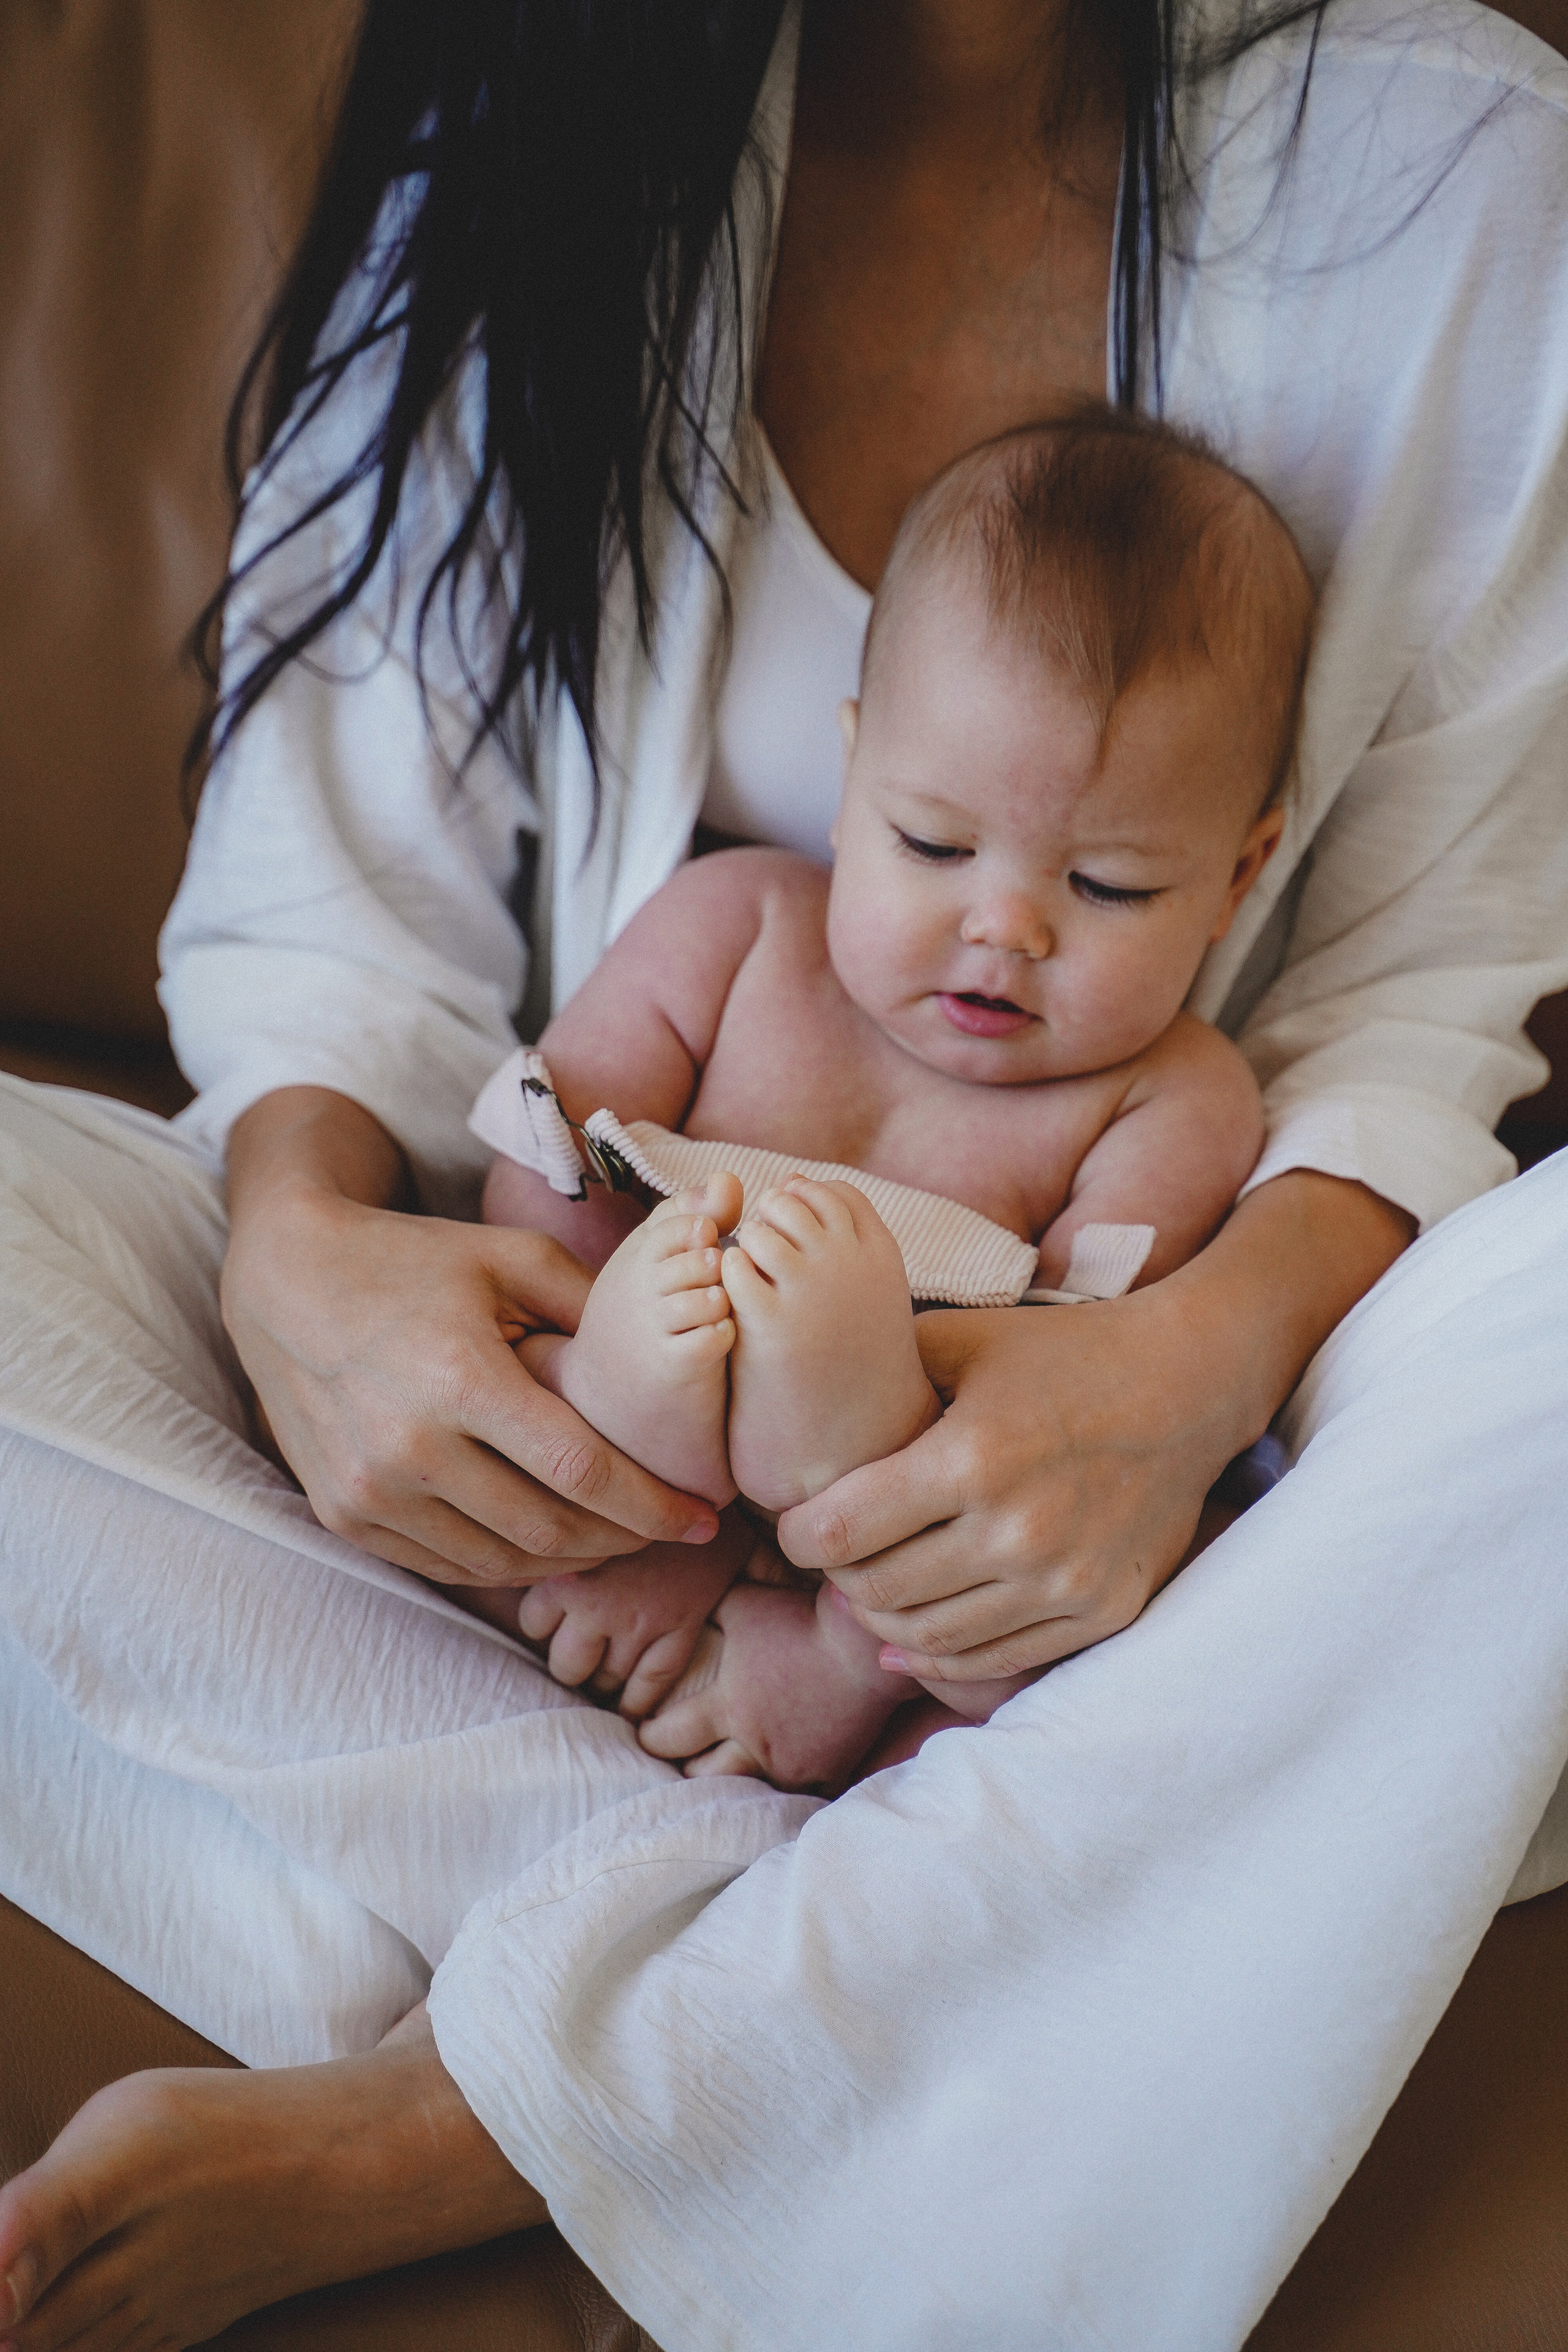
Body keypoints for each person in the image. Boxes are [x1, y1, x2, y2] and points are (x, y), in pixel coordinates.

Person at [2, 1, 1567, 2348]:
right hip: (535, 1477)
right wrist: (314, 1257)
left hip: (1094, 1535)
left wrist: (1171, 1369)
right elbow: (333, 906)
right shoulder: (527, 120)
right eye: (924, 834)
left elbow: (1429, 997)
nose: (997, 917)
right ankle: (842, 1955)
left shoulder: (1467, 174)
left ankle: (506, 2099)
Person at [474, 410, 1309, 1789]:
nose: (1004, 928)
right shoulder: (733, 923)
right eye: (931, 842)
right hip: (629, 1395)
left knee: (1111, 1616)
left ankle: (839, 1663)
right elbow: (547, 1146)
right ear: (852, 769)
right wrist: (617, 1409)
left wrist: (852, 1398)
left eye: (1105, 887)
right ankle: (616, 1523)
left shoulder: (1174, 1097)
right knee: (514, 1352)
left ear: (1235, 874)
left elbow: (1077, 1372)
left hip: (905, 1496)